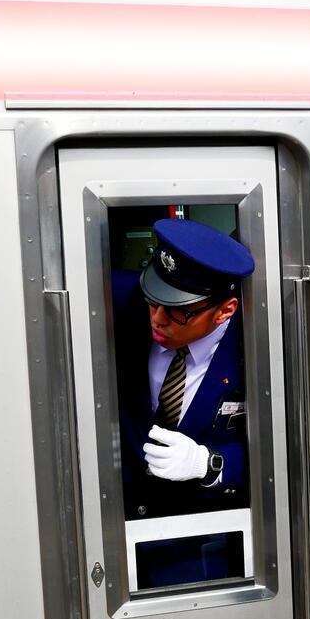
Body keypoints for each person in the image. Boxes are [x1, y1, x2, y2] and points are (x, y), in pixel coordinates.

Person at [114, 217, 254, 587]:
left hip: (202, 545)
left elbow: (292, 450)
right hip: (116, 535)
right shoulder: (123, 301)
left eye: (178, 311)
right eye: (153, 300)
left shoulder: (257, 347)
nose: (157, 319)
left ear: (225, 310)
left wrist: (209, 463)